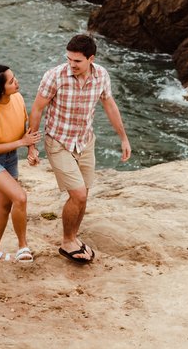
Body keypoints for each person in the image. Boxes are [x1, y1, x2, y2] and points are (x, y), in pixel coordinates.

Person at [28, 34, 131, 264]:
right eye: (69, 59)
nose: (71, 65)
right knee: (78, 194)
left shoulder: (101, 75)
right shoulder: (55, 76)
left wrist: (123, 138)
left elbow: (110, 105)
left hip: (85, 141)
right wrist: (32, 146)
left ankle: (73, 238)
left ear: (91, 59)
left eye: (77, 61)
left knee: (83, 196)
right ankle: (66, 242)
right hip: (59, 141)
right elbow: (36, 110)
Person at [0, 64, 42, 262]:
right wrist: (22, 143)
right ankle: (23, 247)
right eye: (11, 81)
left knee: (4, 208)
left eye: (14, 77)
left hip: (10, 157)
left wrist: (31, 150)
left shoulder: (17, 98)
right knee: (20, 197)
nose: (16, 82)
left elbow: (25, 132)